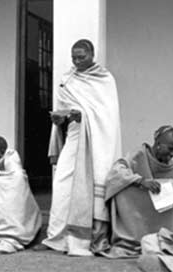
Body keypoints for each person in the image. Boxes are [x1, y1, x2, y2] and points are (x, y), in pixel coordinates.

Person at [42, 39, 121, 256]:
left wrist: (83, 115)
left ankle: (87, 240)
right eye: (74, 57)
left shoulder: (104, 79)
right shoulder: (67, 79)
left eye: (81, 57)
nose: (77, 61)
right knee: (62, 184)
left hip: (97, 141)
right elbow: (62, 109)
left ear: (92, 54)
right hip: (75, 136)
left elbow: (106, 115)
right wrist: (61, 119)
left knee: (93, 183)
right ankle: (58, 238)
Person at [104, 125, 173, 258]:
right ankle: (134, 239)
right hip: (135, 210)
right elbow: (116, 173)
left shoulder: (170, 165)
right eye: (170, 149)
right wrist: (141, 181)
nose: (172, 154)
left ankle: (163, 238)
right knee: (122, 188)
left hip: (156, 210)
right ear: (158, 144)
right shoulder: (138, 155)